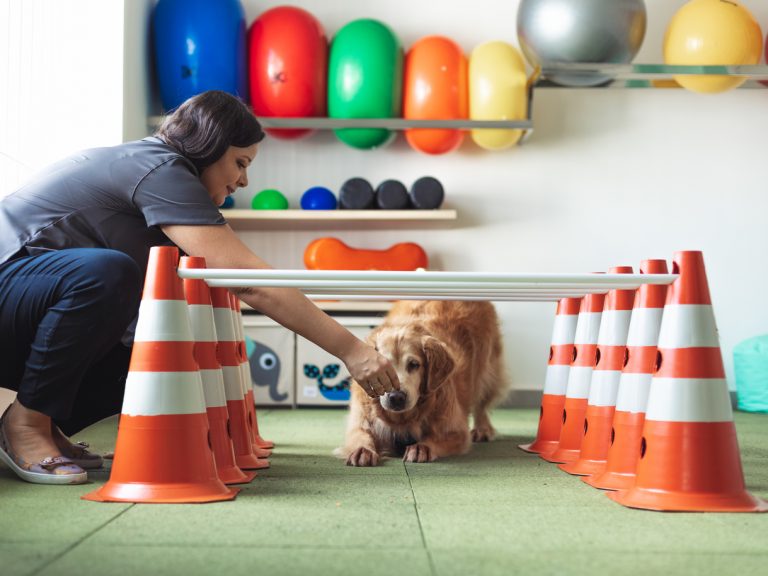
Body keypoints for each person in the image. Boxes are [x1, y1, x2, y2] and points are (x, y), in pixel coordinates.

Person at [0, 90, 400, 485]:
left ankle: (45, 424)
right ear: (210, 145)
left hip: (28, 307)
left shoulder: (157, 175)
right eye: (240, 163)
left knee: (159, 341)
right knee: (108, 273)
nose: (243, 181)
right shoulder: (161, 168)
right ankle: (27, 423)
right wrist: (351, 350)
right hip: (11, 290)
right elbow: (248, 281)